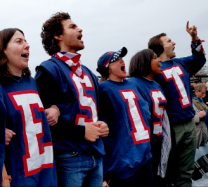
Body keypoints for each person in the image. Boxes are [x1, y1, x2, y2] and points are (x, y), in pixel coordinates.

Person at [35, 12, 108, 187]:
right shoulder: (48, 70)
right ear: (58, 35)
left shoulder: (88, 72)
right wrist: (81, 131)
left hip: (96, 153)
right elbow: (40, 121)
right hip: (69, 156)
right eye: (72, 26)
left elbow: (93, 111)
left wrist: (101, 125)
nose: (80, 29)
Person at [148, 21, 206, 187]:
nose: (173, 43)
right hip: (171, 127)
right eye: (169, 41)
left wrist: (194, 37)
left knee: (186, 170)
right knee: (169, 170)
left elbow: (199, 58)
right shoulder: (154, 71)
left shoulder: (182, 63)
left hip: (189, 122)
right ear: (159, 47)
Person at [0, 28, 57, 186]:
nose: (27, 45)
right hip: (19, 176)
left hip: (46, 171)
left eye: (26, 41)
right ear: (3, 50)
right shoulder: (1, 86)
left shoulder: (32, 82)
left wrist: (55, 109)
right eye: (19, 41)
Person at [97, 47, 153, 187]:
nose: (122, 61)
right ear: (107, 68)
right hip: (122, 161)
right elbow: (102, 132)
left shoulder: (134, 84)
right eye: (117, 60)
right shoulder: (103, 89)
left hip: (144, 155)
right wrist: (103, 173)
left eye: (122, 58)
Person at [128, 49, 171, 187]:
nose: (159, 61)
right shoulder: (133, 84)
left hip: (159, 140)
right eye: (155, 58)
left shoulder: (156, 84)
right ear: (144, 63)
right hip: (144, 145)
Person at [192, 83, 208, 148]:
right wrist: (198, 117)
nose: (204, 95)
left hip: (202, 133)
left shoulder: (200, 100)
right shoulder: (190, 102)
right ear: (196, 91)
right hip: (196, 133)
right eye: (202, 93)